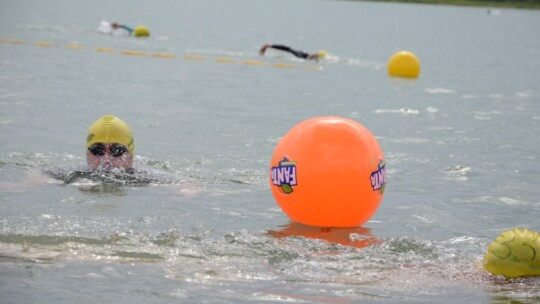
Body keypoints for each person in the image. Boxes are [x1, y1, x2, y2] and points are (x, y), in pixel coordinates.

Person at [259, 44, 328, 61]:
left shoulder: (310, 57)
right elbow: (287, 49)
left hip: (303, 54)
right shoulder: (301, 56)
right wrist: (269, 46)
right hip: (301, 54)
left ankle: (268, 46)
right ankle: (268, 46)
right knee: (289, 49)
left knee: (289, 49)